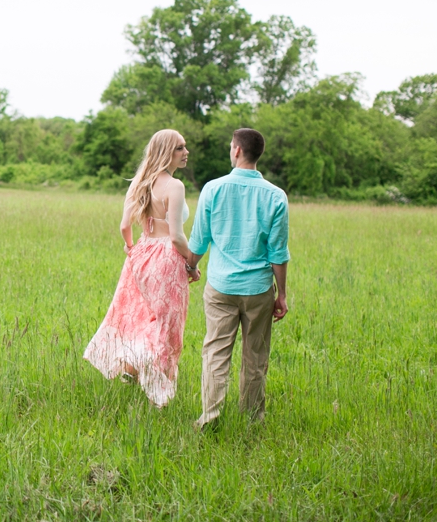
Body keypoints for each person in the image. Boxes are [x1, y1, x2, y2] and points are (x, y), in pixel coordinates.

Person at [83, 129, 200, 408]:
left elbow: (125, 226)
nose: (186, 152)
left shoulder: (139, 182)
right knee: (167, 324)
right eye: (179, 148)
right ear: (166, 152)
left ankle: (133, 368)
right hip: (166, 257)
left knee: (139, 316)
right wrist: (192, 263)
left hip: (141, 253)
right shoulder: (175, 186)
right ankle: (156, 391)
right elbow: (176, 236)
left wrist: (130, 248)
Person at [186, 128, 290, 428]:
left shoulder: (213, 189)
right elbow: (278, 253)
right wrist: (281, 294)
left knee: (215, 351)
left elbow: (199, 241)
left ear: (236, 151)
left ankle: (210, 417)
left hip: (220, 286)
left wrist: (191, 267)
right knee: (255, 357)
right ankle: (252, 420)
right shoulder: (275, 196)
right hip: (258, 290)